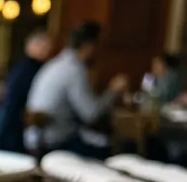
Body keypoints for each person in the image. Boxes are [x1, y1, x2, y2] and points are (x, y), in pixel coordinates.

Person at [25, 21, 128, 157]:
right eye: (99, 46)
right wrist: (113, 91)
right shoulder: (74, 69)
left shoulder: (55, 63)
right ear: (89, 46)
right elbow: (92, 115)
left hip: (35, 140)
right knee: (115, 149)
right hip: (54, 143)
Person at [0, 30, 53, 152]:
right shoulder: (31, 68)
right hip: (13, 117)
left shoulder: (22, 66)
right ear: (32, 46)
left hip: (7, 114)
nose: (47, 51)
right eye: (43, 47)